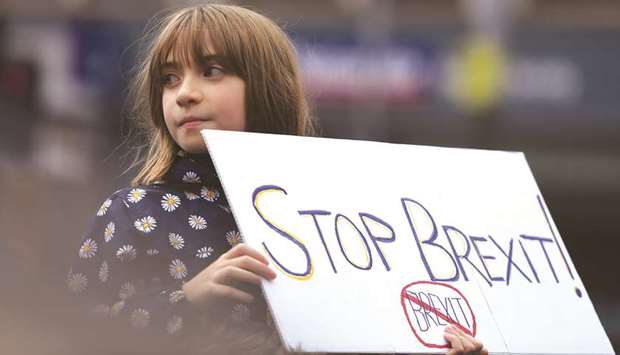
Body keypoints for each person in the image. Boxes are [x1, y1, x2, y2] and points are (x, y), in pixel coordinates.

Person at [66, 4, 487, 355]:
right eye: (169, 78)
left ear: (269, 88)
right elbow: (70, 331)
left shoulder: (335, 219)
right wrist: (188, 299)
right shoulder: (135, 212)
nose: (184, 93)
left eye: (212, 71)